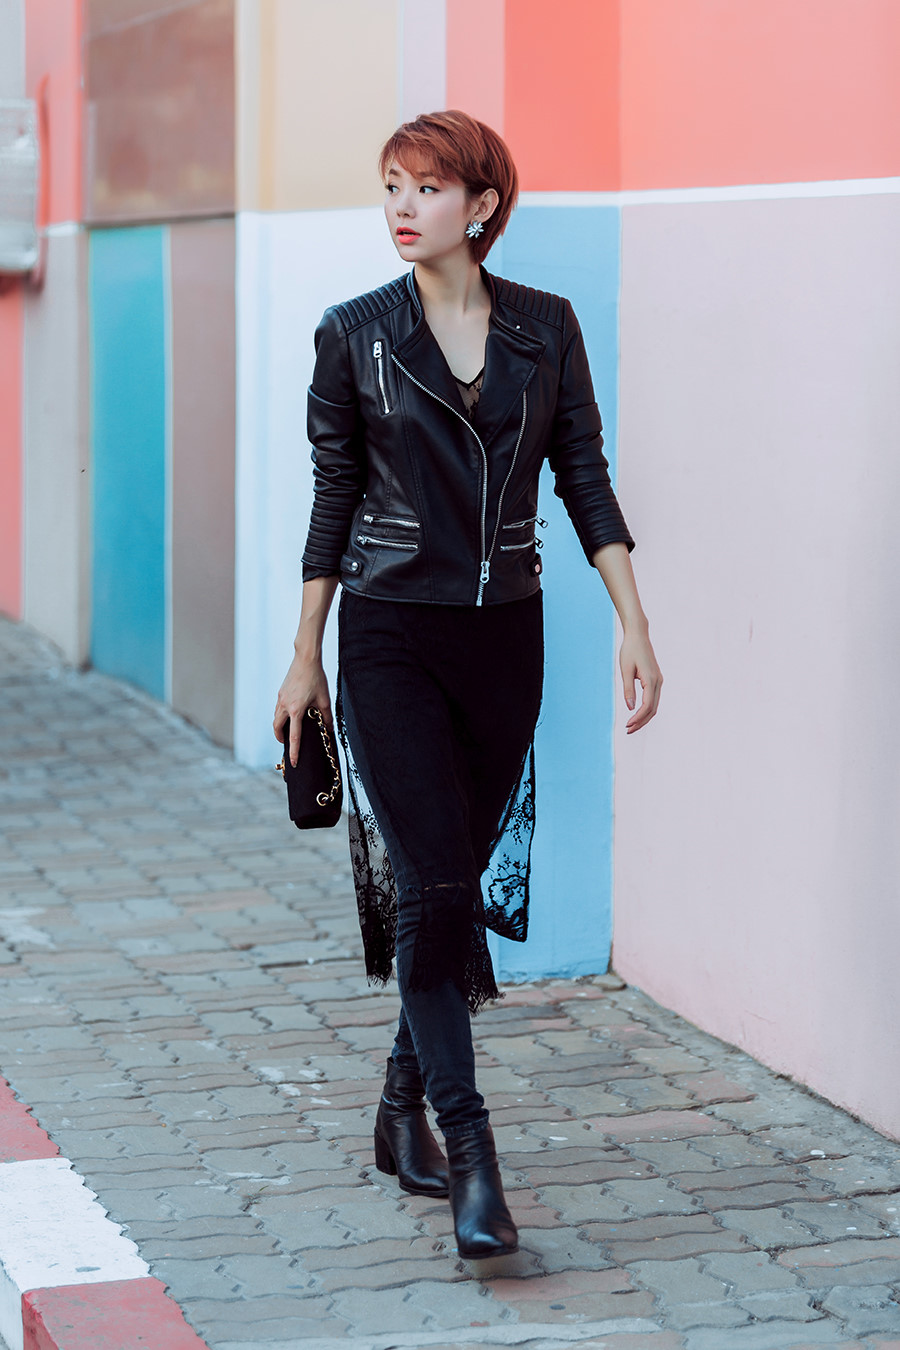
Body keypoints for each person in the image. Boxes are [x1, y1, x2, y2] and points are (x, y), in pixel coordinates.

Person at [274, 110, 662, 1260]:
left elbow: (584, 476)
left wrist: (635, 622)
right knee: (436, 887)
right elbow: (334, 500)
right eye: (391, 185)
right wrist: (305, 653)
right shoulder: (354, 335)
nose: (402, 207)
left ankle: (399, 1108)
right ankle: (473, 1159)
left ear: (481, 206)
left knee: (449, 893)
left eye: (427, 188)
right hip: (388, 635)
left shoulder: (546, 328)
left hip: (505, 644)